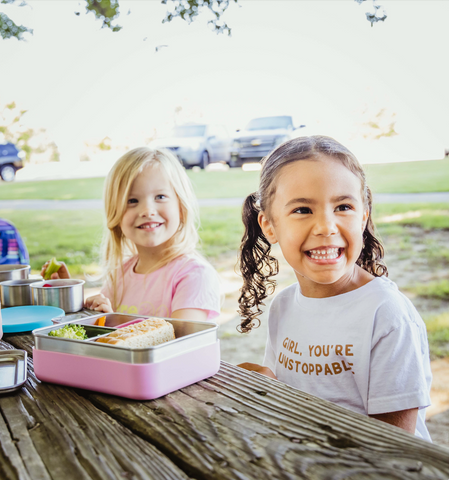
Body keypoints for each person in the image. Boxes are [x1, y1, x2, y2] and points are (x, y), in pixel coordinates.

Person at [236, 135, 432, 441]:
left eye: (343, 206)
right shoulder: (284, 306)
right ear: (269, 226)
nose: (326, 226)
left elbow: (393, 447)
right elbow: (289, 392)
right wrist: (265, 384)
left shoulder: (387, 315)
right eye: (302, 210)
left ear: (363, 216)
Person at [41, 147, 221, 321]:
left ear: (181, 207)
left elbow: (182, 344)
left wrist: (114, 324)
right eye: (132, 200)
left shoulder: (194, 275)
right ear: (116, 216)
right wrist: (68, 295)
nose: (147, 210)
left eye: (160, 197)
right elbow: (101, 327)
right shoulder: (119, 276)